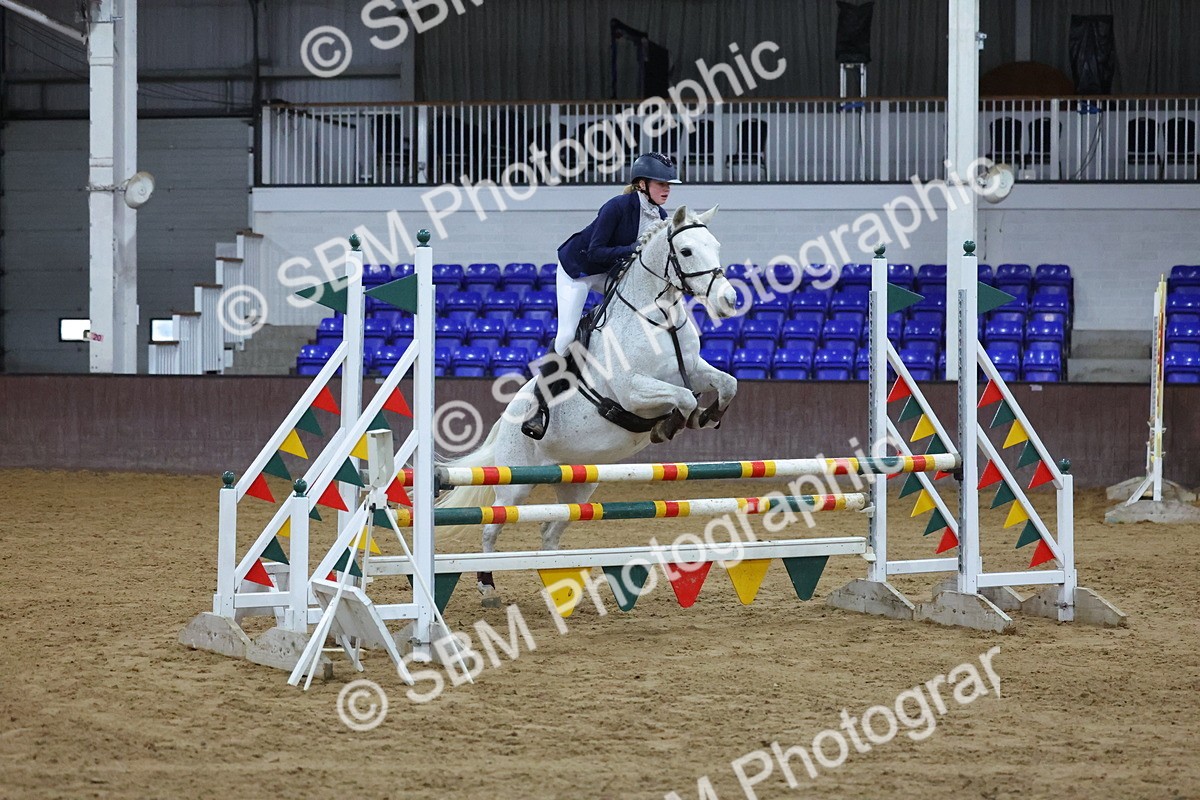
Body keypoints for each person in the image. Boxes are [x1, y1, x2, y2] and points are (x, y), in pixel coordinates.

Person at [521, 152, 682, 440]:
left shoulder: (660, 216)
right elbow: (595, 252)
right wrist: (634, 249)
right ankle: (538, 407)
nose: (667, 188)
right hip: (579, 270)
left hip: (611, 272)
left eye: (669, 184)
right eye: (661, 183)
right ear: (642, 184)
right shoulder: (617, 207)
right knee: (566, 336)